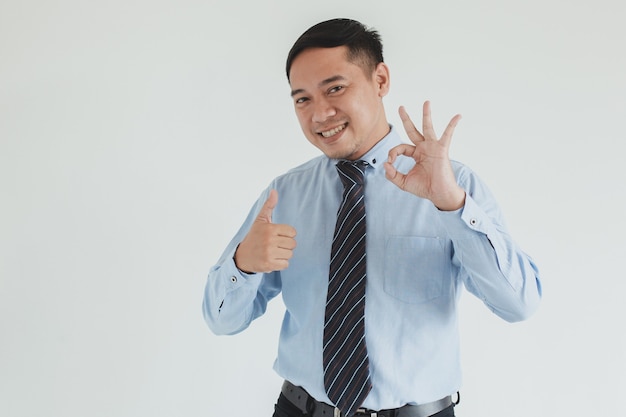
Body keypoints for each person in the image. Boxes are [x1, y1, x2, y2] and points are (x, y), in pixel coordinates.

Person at [203, 18, 541, 417]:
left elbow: (518, 304)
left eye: (335, 88)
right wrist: (242, 263)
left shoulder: (452, 185)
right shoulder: (285, 195)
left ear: (380, 80)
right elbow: (221, 321)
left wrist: (452, 204)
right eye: (302, 99)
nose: (320, 114)